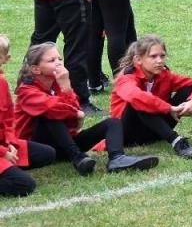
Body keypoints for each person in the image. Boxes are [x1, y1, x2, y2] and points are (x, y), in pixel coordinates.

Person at [16, 42, 157, 174]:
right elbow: (55, 109)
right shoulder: (26, 91)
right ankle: (78, 158)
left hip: (63, 143)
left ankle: (117, 158)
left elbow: (74, 111)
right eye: (52, 61)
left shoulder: (58, 83)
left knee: (112, 122)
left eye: (59, 59)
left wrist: (67, 91)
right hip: (38, 148)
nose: (59, 63)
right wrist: (76, 112)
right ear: (36, 69)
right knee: (50, 114)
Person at [110, 35, 192, 158]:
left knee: (189, 89)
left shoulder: (164, 75)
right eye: (153, 56)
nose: (159, 61)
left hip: (155, 132)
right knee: (141, 101)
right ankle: (177, 141)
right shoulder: (126, 78)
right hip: (126, 135)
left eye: (162, 56)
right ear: (138, 59)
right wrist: (169, 108)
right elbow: (136, 97)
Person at [0, 37, 40, 197]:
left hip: (3, 144)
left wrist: (11, 142)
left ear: (5, 59)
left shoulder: (2, 84)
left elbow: (9, 118)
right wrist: (3, 152)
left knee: (47, 154)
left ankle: (9, 166)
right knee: (25, 185)